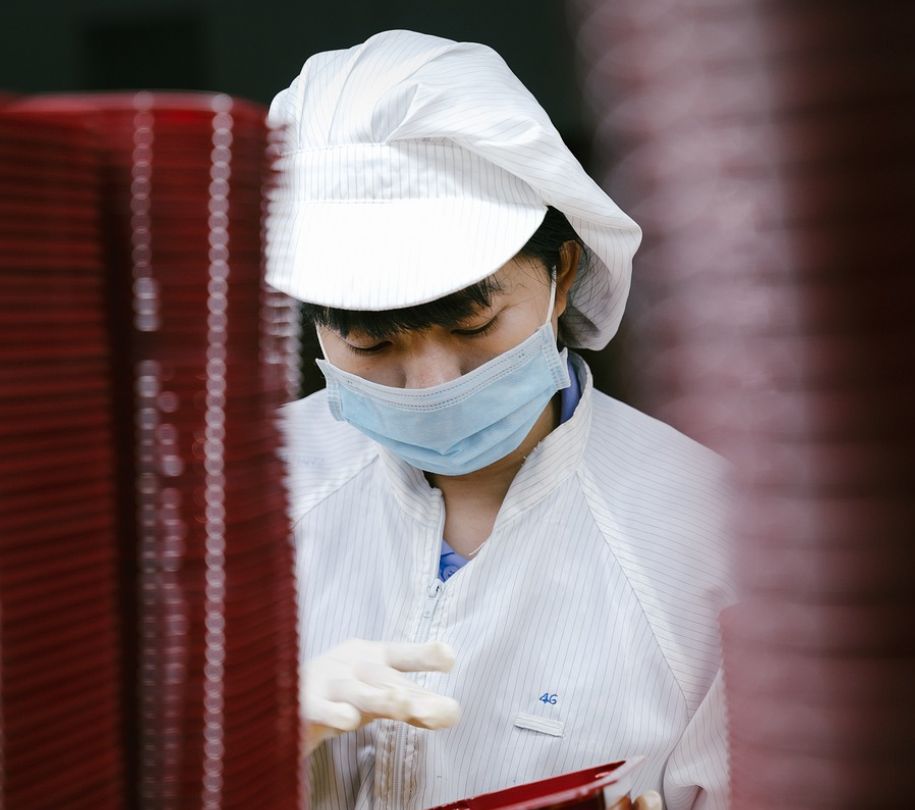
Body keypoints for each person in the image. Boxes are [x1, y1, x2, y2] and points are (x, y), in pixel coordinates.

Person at [265, 30, 733, 810]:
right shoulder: (229, 498)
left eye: (474, 325)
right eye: (370, 342)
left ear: (562, 272)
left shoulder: (708, 536)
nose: (431, 385)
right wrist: (256, 738)